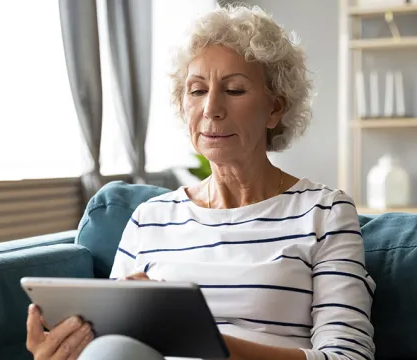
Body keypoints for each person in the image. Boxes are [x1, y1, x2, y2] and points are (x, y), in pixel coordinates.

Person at [26, 4, 375, 360]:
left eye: (235, 90)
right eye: (196, 91)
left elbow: (349, 357)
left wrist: (196, 335)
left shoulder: (325, 212)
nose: (211, 108)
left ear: (275, 109)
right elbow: (115, 344)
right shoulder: (150, 218)